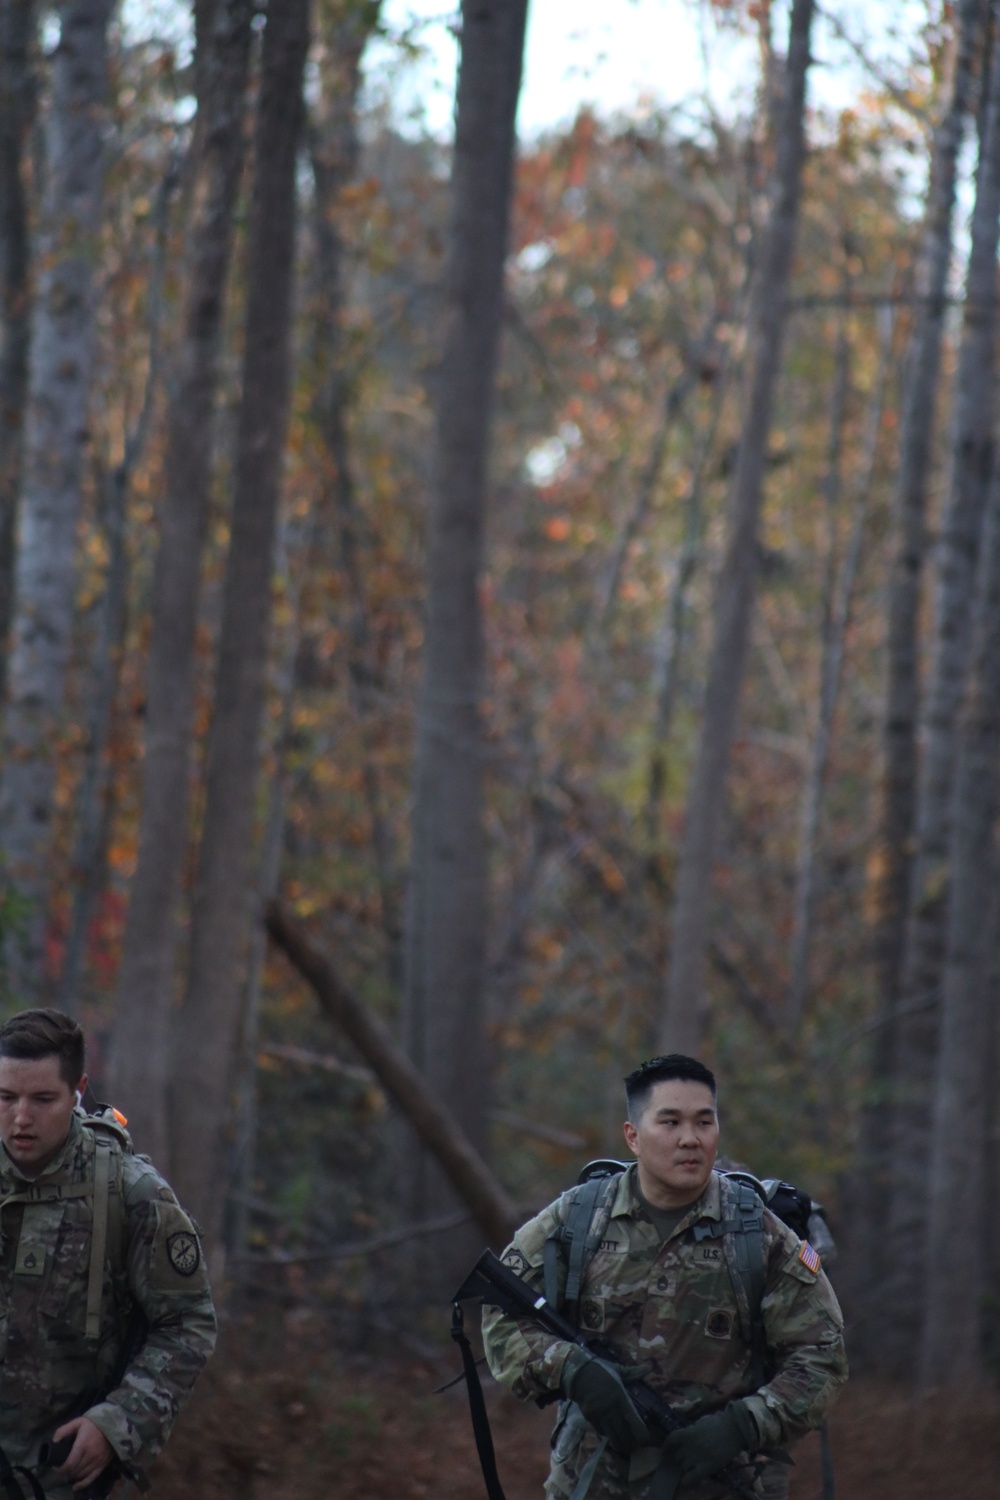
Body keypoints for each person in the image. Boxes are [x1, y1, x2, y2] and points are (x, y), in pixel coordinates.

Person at [483, 1054, 847, 1500]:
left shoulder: (758, 1233)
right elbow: (502, 1308)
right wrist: (570, 1368)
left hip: (722, 1482)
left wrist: (743, 1425)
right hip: (593, 1481)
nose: (690, 1140)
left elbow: (822, 1355)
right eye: (670, 1123)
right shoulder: (579, 1217)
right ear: (633, 1137)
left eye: (704, 1123)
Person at [0, 1008, 217, 1496]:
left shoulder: (129, 1192)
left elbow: (188, 1324)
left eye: (42, 1099)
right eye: (5, 1097)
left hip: (56, 1475)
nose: (20, 1118)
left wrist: (118, 1423)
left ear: (77, 1090)